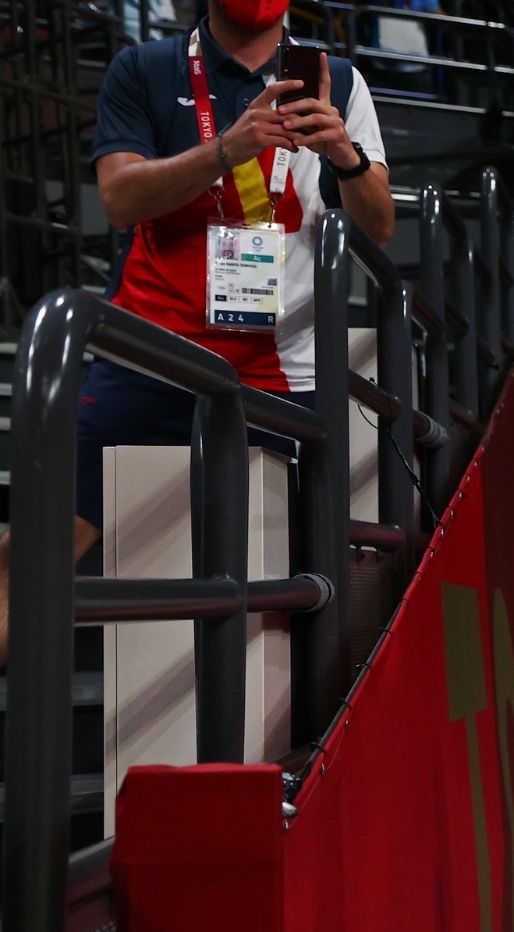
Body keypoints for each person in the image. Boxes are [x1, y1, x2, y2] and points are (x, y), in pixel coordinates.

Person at [0, 0, 393, 662]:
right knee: (28, 558)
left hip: (280, 376)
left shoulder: (339, 81)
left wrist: (344, 157)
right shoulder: (145, 69)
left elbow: (377, 228)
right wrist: (228, 149)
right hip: (147, 359)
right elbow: (121, 198)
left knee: (302, 589)